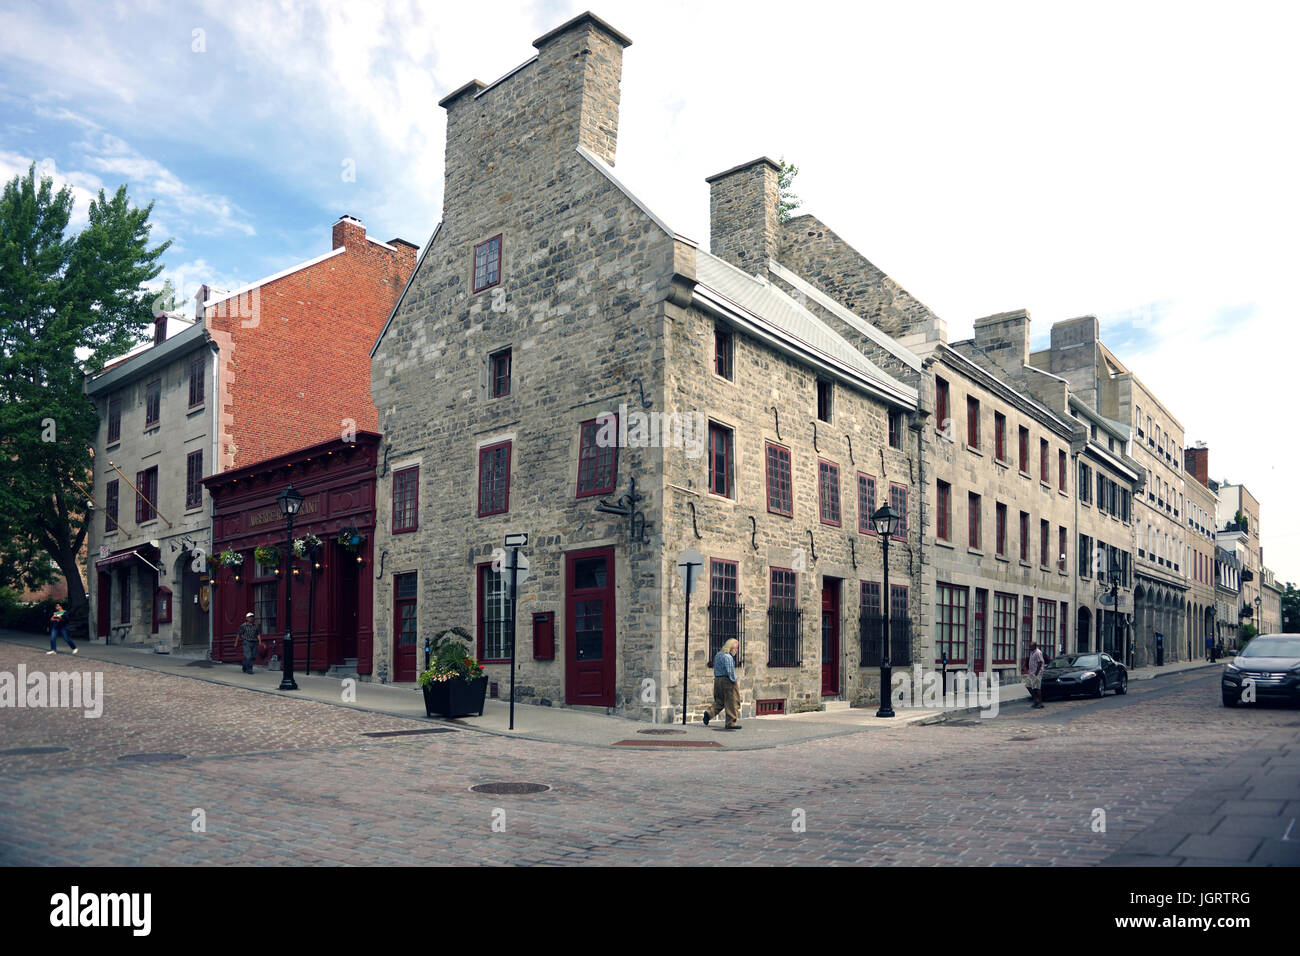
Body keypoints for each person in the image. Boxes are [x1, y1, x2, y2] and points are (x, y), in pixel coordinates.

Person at [702, 638, 741, 729]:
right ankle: (731, 723)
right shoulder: (728, 657)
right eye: (735, 648)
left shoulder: (718, 655)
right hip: (727, 681)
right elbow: (730, 671)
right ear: (730, 647)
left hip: (717, 680)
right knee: (732, 702)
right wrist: (734, 681)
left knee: (720, 701)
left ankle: (709, 713)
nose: (736, 650)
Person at [1025, 639, 1045, 709]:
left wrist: (1036, 673)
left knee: (1037, 688)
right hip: (1031, 672)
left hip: (1037, 673)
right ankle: (1036, 700)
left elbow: (1040, 663)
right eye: (1029, 646)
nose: (1029, 648)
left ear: (1035, 646)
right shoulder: (1032, 652)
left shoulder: (1038, 652)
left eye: (1031, 646)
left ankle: (1040, 703)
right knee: (1028, 685)